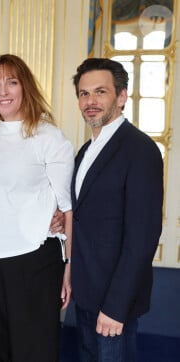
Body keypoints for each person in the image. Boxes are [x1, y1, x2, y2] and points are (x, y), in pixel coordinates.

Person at [0, 54, 74, 361]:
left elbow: (67, 209)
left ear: (25, 86)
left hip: (35, 260)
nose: (3, 92)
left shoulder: (50, 138)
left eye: (11, 82)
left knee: (34, 352)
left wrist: (69, 269)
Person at [70, 58, 163, 362]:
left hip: (113, 304)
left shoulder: (141, 150)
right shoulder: (85, 151)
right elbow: (87, 213)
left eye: (100, 92)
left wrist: (115, 306)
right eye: (84, 94)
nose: (90, 102)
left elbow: (143, 237)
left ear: (121, 97)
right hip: (86, 295)